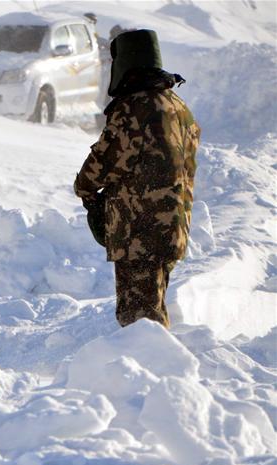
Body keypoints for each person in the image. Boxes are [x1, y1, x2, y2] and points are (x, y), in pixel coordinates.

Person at [74, 29, 200, 328]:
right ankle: (160, 368)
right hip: (172, 225)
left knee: (139, 319)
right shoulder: (178, 106)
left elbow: (103, 163)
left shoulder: (135, 108)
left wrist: (84, 189)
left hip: (139, 228)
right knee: (152, 307)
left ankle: (152, 370)